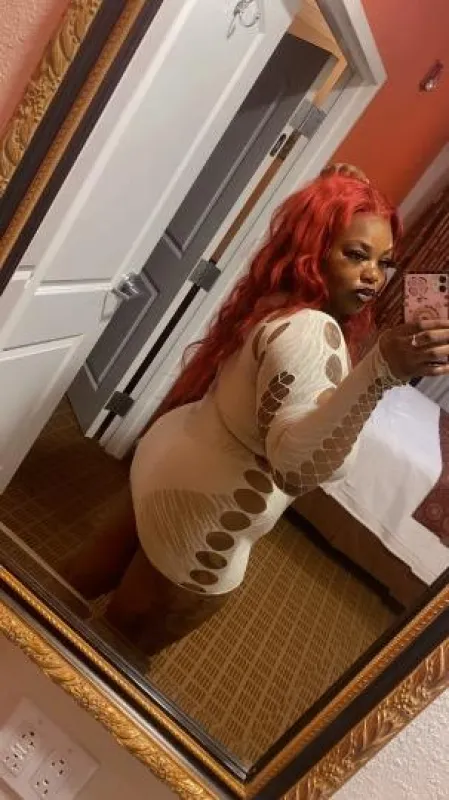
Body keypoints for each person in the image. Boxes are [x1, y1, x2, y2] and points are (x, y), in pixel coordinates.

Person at [63, 164, 449, 655]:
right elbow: (298, 467)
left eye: (383, 262)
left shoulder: (278, 299)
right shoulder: (312, 331)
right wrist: (381, 370)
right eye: (356, 255)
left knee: (71, 583)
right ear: (314, 250)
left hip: (169, 462)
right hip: (205, 522)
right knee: (106, 655)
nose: (373, 275)